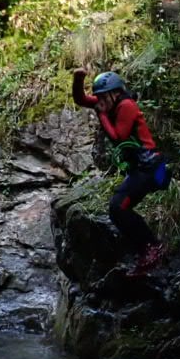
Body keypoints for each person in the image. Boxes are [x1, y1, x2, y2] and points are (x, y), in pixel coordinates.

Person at [71, 68, 169, 276]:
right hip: (142, 169)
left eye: (102, 97)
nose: (99, 101)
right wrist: (78, 78)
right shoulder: (108, 102)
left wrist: (101, 113)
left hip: (152, 167)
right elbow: (80, 99)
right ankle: (146, 251)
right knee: (118, 209)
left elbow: (119, 137)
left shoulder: (126, 105)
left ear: (114, 93)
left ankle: (152, 248)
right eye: (98, 97)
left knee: (119, 207)